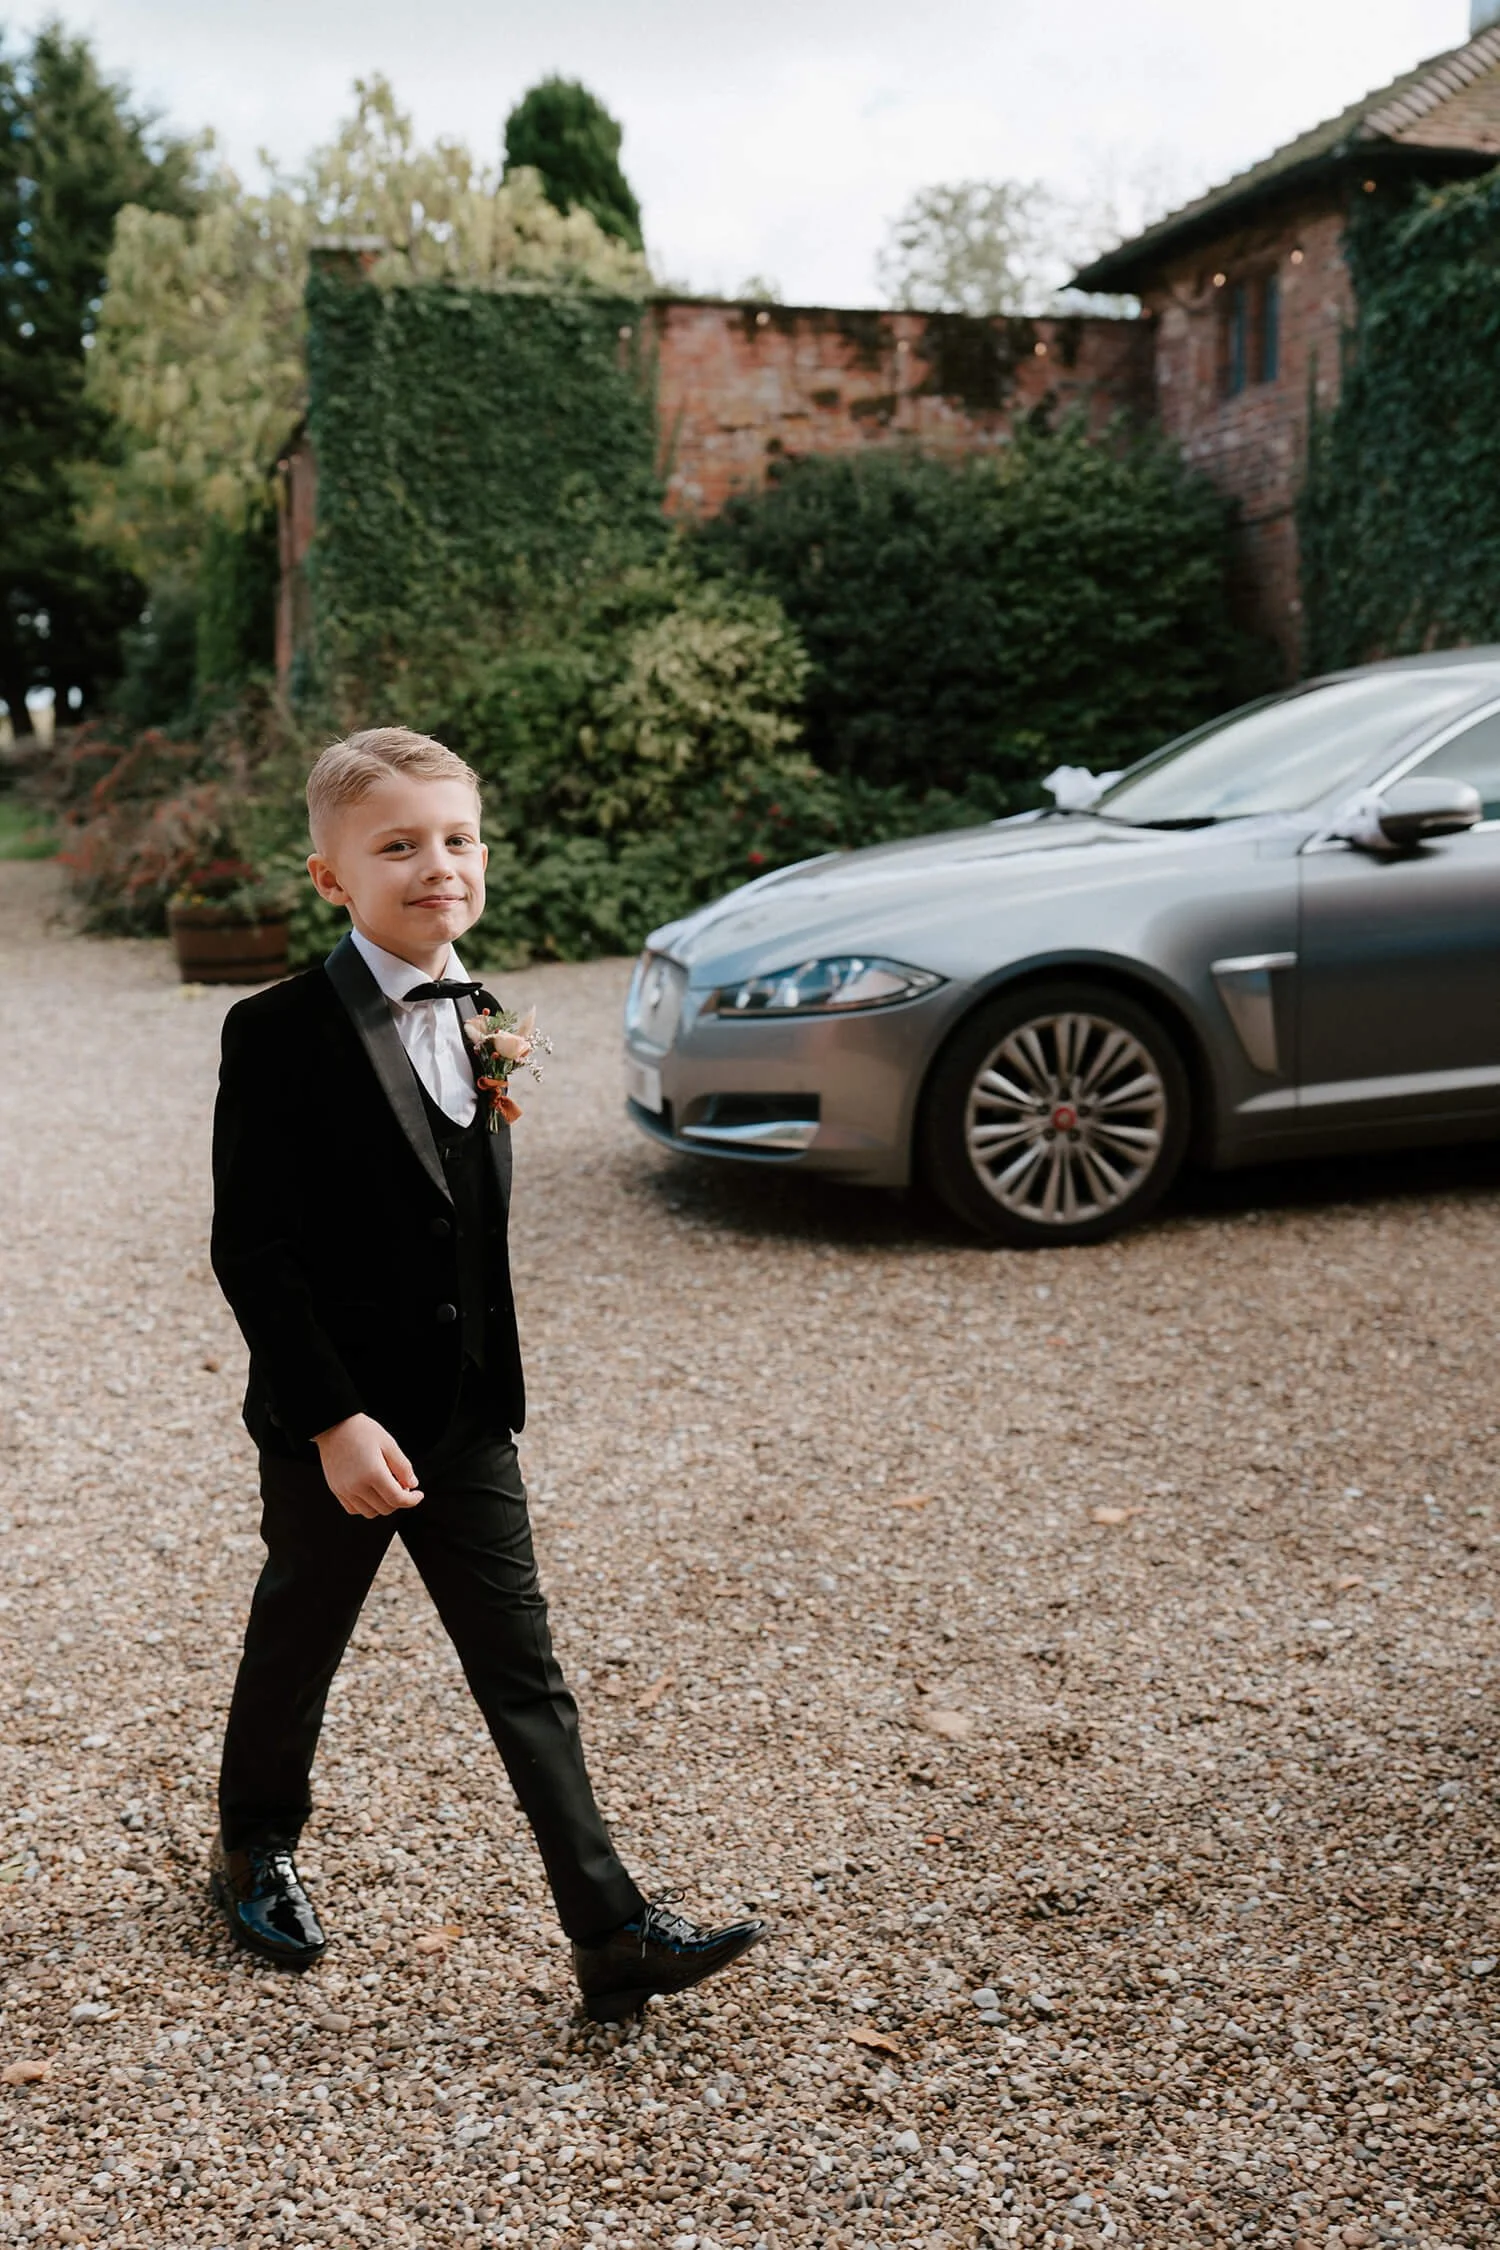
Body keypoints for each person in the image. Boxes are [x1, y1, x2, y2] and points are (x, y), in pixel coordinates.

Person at [207, 725, 763, 2023]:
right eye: (397, 844)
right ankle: (253, 1847)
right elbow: (253, 1247)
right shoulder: (276, 1031)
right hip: (332, 1425)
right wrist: (334, 1417)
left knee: (526, 1673)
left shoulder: (487, 1012)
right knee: (299, 1643)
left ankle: (608, 1926)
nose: (436, 864)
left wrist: (481, 1387)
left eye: (456, 838)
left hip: (467, 1419)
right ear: (331, 876)